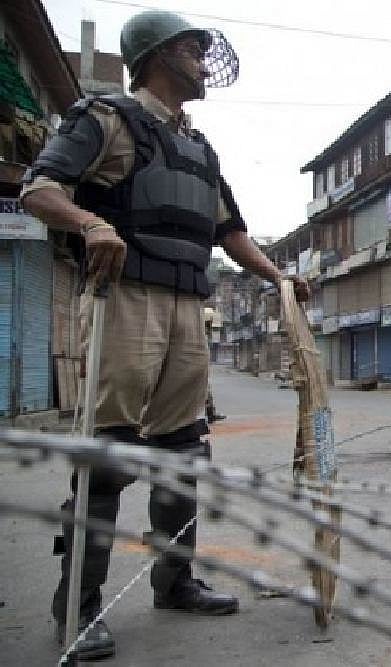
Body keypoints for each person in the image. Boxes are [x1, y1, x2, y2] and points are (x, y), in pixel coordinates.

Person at [20, 10, 308, 660]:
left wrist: (280, 278)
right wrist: (91, 224)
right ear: (156, 56)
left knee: (184, 451)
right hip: (124, 298)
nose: (204, 63)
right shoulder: (107, 119)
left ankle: (174, 579)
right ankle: (78, 606)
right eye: (193, 50)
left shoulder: (201, 149)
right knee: (111, 454)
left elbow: (230, 233)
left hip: (188, 310)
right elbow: (41, 188)